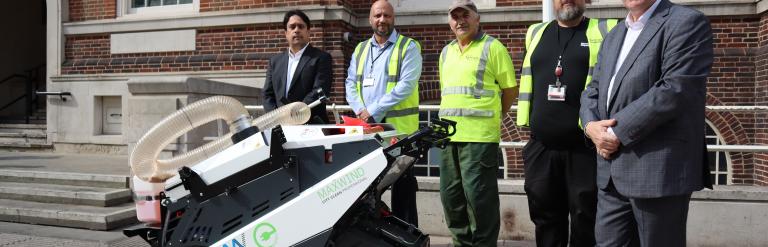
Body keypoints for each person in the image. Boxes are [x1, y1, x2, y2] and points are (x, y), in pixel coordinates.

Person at [579, 0, 714, 245]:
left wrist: (614, 133)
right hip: (610, 172)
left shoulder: (686, 22)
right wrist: (590, 127)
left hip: (657, 169)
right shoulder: (615, 34)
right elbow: (593, 90)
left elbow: (675, 89)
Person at [516, 0, 616, 245]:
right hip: (541, 146)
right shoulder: (536, 32)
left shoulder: (607, 30)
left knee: (585, 217)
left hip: (584, 147)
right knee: (544, 217)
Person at [437, 0, 517, 246]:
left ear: (477, 18)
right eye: (455, 16)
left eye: (465, 15)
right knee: (452, 201)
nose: (460, 20)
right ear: (450, 21)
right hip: (449, 138)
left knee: (480, 204)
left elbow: (510, 91)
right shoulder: (446, 51)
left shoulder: (493, 47)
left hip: (479, 140)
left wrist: (494, 117)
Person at [344, 0, 422, 225]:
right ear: (370, 19)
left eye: (387, 15)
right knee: (366, 189)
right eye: (378, 15)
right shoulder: (360, 49)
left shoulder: (408, 47)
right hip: (368, 131)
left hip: (400, 134)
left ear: (393, 18)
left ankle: (406, 234)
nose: (382, 20)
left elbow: (406, 85)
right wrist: (360, 109)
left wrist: (372, 111)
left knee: (403, 189)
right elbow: (350, 82)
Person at [263, 10, 332, 124]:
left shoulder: (321, 58)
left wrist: (295, 114)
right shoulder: (274, 61)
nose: (296, 30)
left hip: (311, 124)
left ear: (308, 31)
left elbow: (320, 90)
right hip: (281, 126)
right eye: (292, 27)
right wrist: (276, 118)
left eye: (301, 26)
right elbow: (267, 94)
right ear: (286, 32)